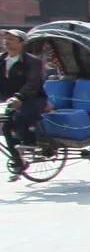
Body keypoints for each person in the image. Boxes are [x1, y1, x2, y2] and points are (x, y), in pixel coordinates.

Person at [1, 29, 48, 180]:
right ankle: (18, 162)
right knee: (6, 126)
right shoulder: (2, 60)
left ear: (21, 43)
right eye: (5, 39)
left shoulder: (32, 61)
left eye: (12, 39)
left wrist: (19, 97)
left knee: (18, 118)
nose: (6, 42)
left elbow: (32, 83)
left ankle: (30, 142)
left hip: (31, 99)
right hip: (9, 100)